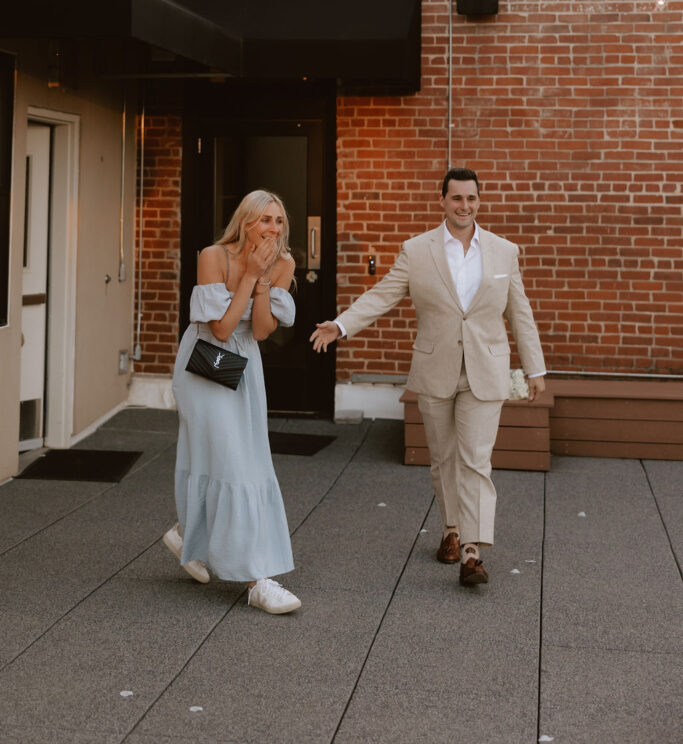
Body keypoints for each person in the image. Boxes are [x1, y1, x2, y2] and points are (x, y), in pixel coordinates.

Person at [310, 168, 545, 587]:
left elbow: (519, 311)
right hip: (435, 369)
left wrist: (535, 367)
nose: (464, 206)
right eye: (456, 199)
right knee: (443, 460)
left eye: (471, 198)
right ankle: (451, 527)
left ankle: (472, 551)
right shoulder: (417, 250)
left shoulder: (504, 251)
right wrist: (342, 326)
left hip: (485, 372)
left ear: (479, 200)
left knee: (476, 461)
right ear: (443, 201)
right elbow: (382, 294)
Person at [163, 189, 301, 614]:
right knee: (234, 461)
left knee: (246, 457)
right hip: (205, 362)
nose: (273, 229)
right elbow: (221, 329)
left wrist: (262, 280)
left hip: (244, 364)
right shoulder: (213, 256)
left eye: (278, 221)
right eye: (264, 220)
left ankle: (189, 535)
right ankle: (258, 578)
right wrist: (248, 276)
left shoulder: (284, 263)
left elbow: (259, 331)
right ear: (245, 222)